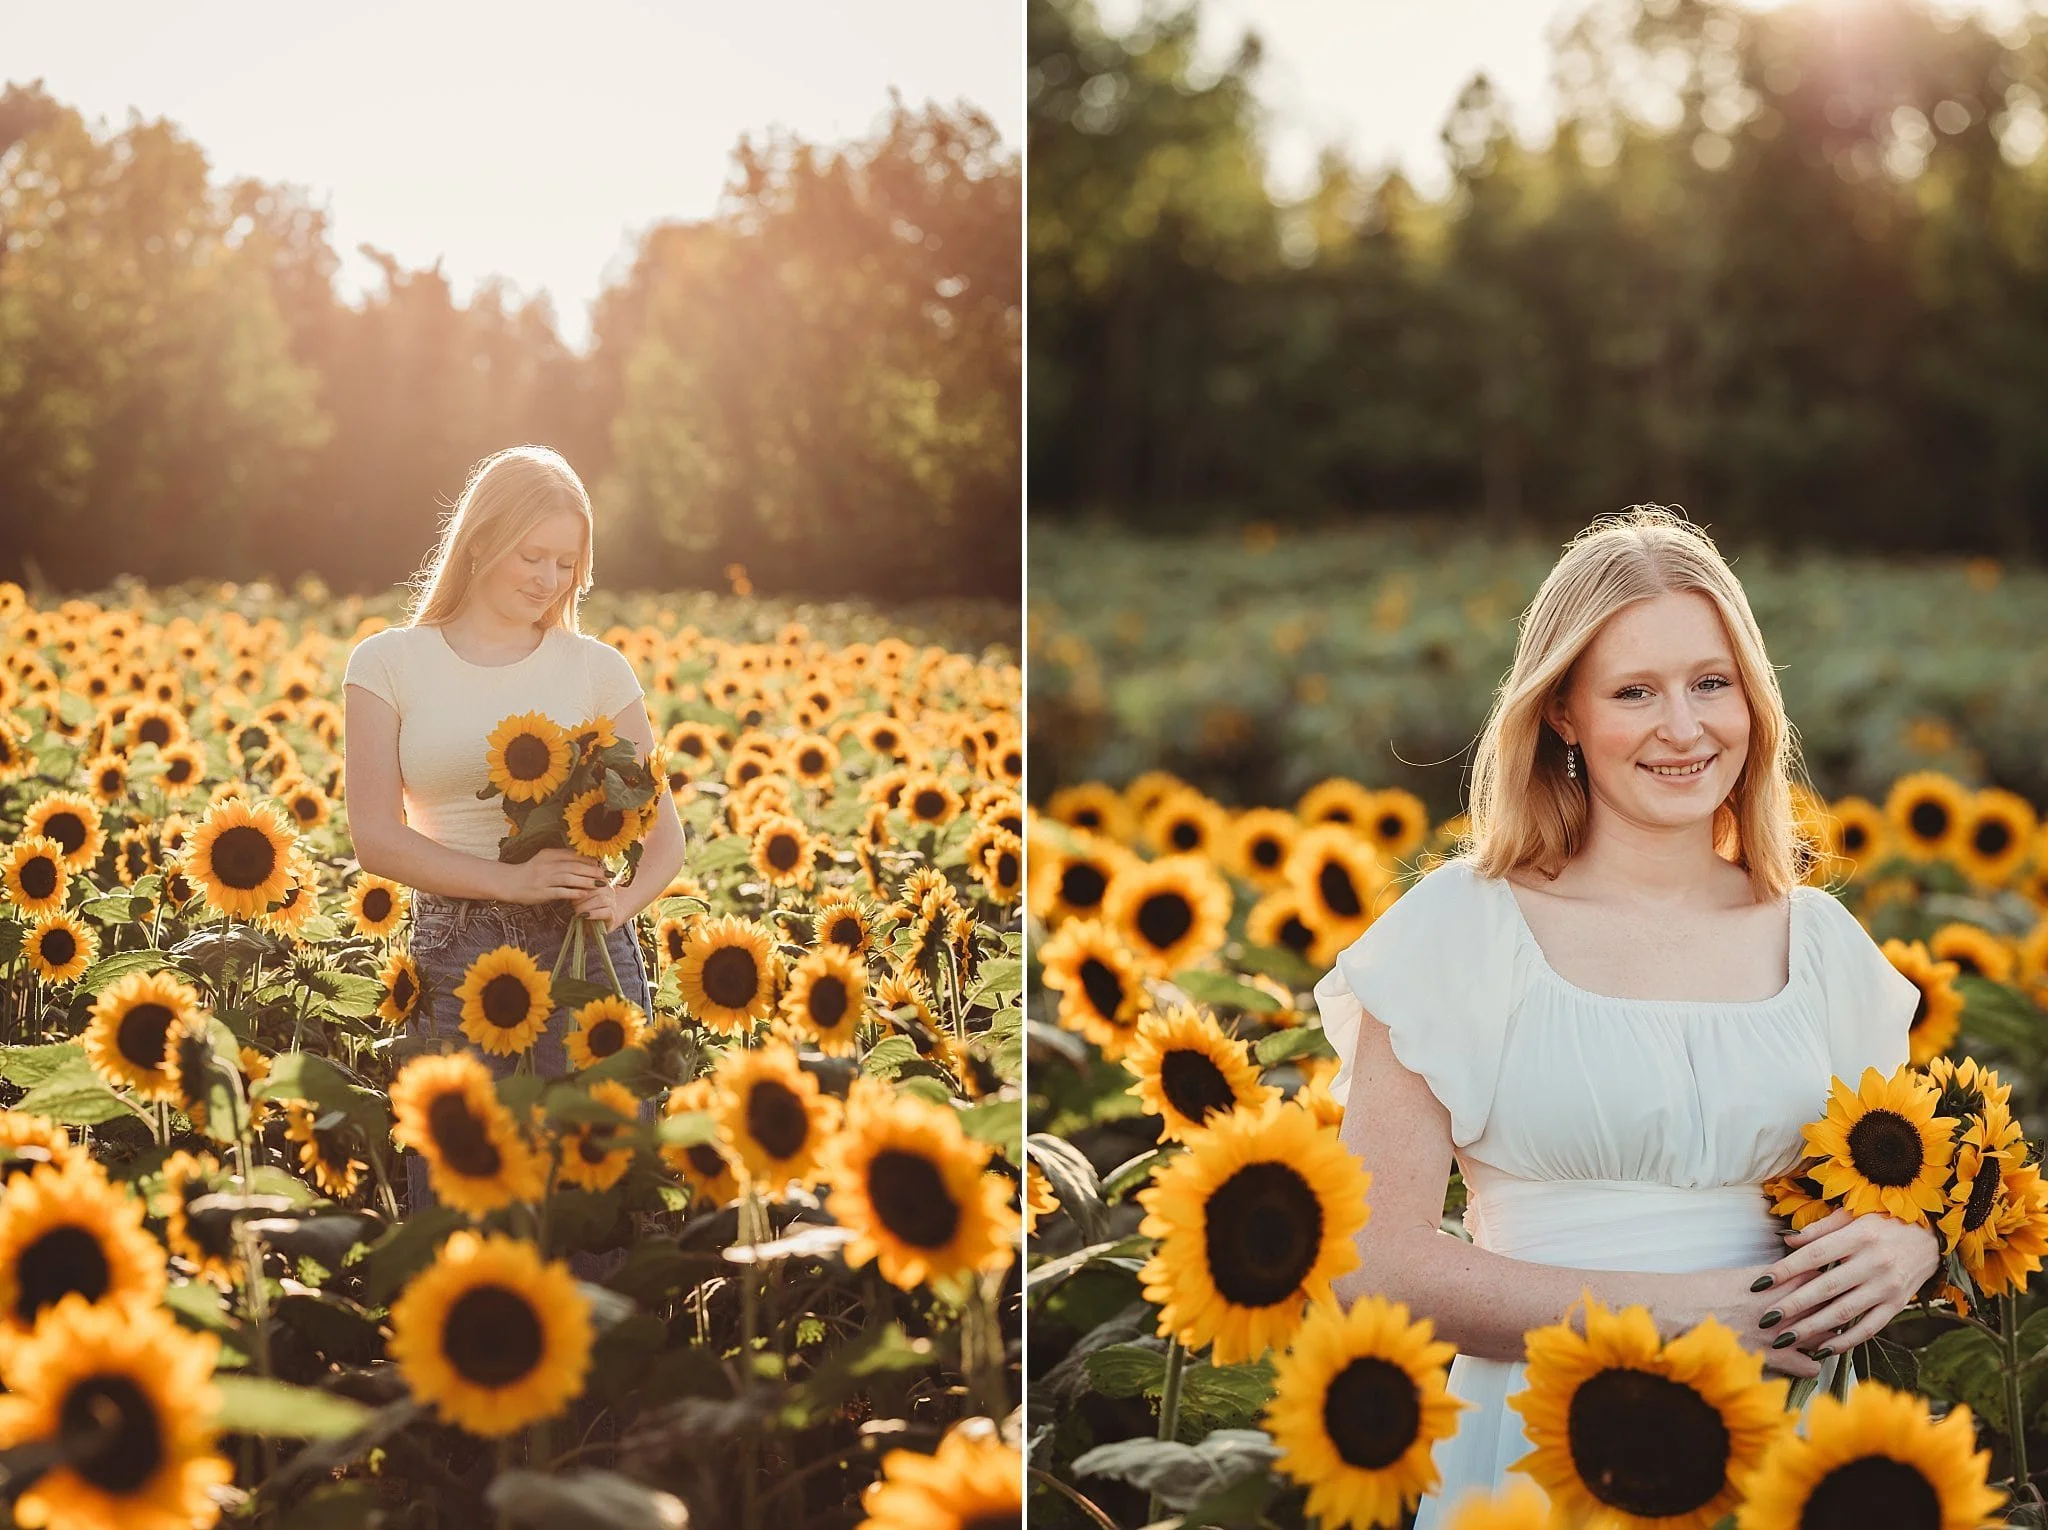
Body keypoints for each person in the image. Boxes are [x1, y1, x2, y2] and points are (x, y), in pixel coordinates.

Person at [1312, 507, 1930, 1523]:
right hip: (1534, 1437)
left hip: (1784, 1444)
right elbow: (1369, 1264)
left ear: (1752, 701)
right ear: (1561, 712)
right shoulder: (1460, 929)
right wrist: (1697, 1317)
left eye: (1709, 683)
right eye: (1633, 691)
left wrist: (1913, 1247)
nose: (1682, 728)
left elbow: (1896, 1177)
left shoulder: (1822, 947)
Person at [341, 444, 688, 1211]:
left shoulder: (596, 669)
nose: (548, 580)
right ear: (480, 540)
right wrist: (509, 881)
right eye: (532, 555)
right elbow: (375, 835)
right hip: (455, 947)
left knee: (596, 1196)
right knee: (462, 1193)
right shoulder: (389, 663)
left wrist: (622, 906)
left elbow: (666, 836)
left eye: (567, 564)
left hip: (586, 953)